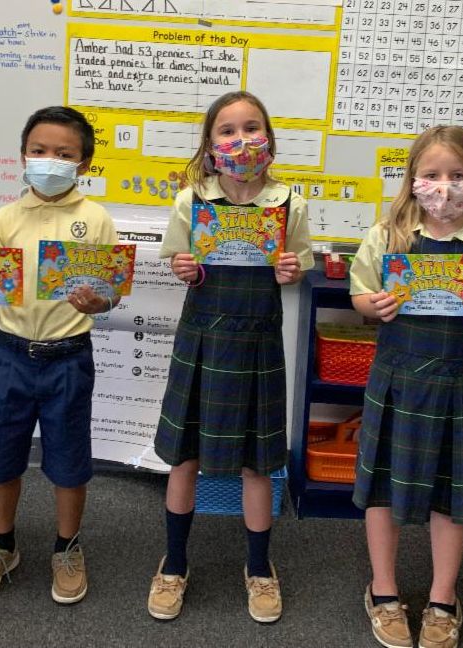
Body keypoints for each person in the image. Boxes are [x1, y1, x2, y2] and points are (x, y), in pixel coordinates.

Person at [348, 125, 463, 648]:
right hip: (397, 379)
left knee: (452, 493)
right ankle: (383, 590)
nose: (444, 187)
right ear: (412, 180)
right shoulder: (389, 236)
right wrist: (374, 306)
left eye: (457, 175)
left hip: (455, 384)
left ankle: (443, 598)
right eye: (431, 175)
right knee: (383, 486)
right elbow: (360, 295)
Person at [147, 91, 313, 623]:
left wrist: (290, 271)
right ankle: (174, 563)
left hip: (258, 342)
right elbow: (179, 260)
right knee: (185, 457)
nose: (241, 140)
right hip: (202, 339)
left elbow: (297, 267)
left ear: (269, 138)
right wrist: (184, 268)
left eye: (251, 128)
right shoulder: (192, 200)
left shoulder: (288, 204)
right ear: (210, 143)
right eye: (227, 130)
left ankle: (260, 568)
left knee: (258, 462)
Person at [0, 106, 118, 605]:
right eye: (40, 150)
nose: (50, 160)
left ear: (83, 164)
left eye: (64, 154)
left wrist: (100, 302)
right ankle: (1, 544)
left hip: (68, 358)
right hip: (9, 355)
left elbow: (111, 291)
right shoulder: (5, 219)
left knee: (69, 460)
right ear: (23, 156)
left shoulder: (95, 219)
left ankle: (67, 547)